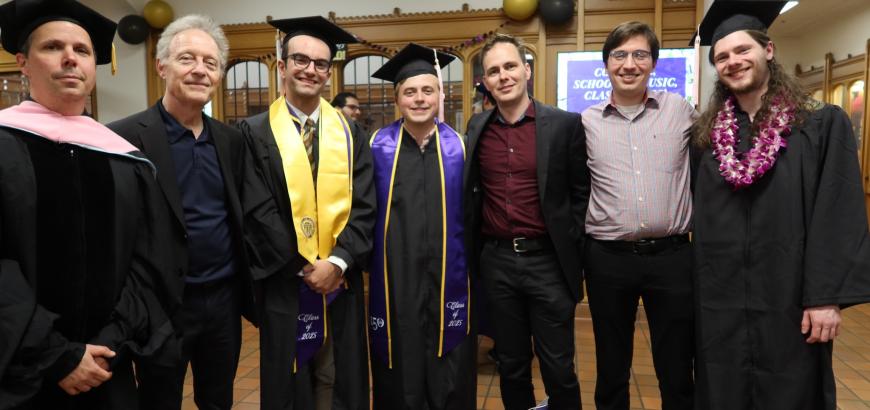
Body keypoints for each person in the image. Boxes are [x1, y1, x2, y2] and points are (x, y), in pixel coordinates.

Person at [692, 1, 870, 409]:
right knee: (723, 386)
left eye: (742, 50)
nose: (733, 62)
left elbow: (837, 212)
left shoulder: (822, 123)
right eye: (722, 56)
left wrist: (825, 297)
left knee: (792, 388)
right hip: (721, 301)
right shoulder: (705, 137)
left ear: (768, 50)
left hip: (790, 296)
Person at [0, 1, 175, 408]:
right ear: (23, 62)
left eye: (82, 50)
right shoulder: (5, 146)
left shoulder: (120, 156)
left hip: (104, 367)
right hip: (20, 369)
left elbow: (150, 262)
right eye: (52, 47)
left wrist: (107, 343)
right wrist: (57, 355)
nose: (69, 59)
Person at [107, 15, 259, 410]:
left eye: (211, 63)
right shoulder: (123, 138)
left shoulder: (230, 140)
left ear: (220, 74)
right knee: (159, 401)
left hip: (223, 303)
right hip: (160, 307)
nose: (199, 70)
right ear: (162, 66)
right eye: (187, 58)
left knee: (218, 400)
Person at [237, 16, 375, 410]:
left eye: (320, 63)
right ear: (282, 66)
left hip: (339, 284)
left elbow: (366, 205)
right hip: (286, 281)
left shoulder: (350, 134)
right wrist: (304, 267)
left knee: (338, 379)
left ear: (329, 73)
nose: (310, 70)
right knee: (290, 381)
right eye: (300, 59)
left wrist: (337, 262)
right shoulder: (254, 132)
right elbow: (256, 209)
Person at [464, 33, 589, 410]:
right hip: (498, 263)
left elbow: (581, 193)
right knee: (512, 364)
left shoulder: (565, 124)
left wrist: (572, 244)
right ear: (485, 81)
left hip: (548, 263)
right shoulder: (477, 127)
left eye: (510, 66)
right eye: (493, 71)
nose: (503, 76)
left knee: (558, 366)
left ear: (527, 70)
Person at [581, 21, 695, 410]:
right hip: (608, 259)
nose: (629, 64)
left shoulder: (681, 111)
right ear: (606, 64)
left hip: (673, 257)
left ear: (654, 63)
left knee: (677, 363)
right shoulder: (585, 122)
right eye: (620, 55)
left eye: (640, 55)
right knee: (611, 363)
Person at [367, 43, 476, 409]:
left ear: (440, 94)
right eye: (409, 92)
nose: (418, 99)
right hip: (396, 282)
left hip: (449, 278)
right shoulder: (376, 147)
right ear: (397, 98)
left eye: (427, 90)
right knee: (402, 359)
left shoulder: (460, 147)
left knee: (449, 360)